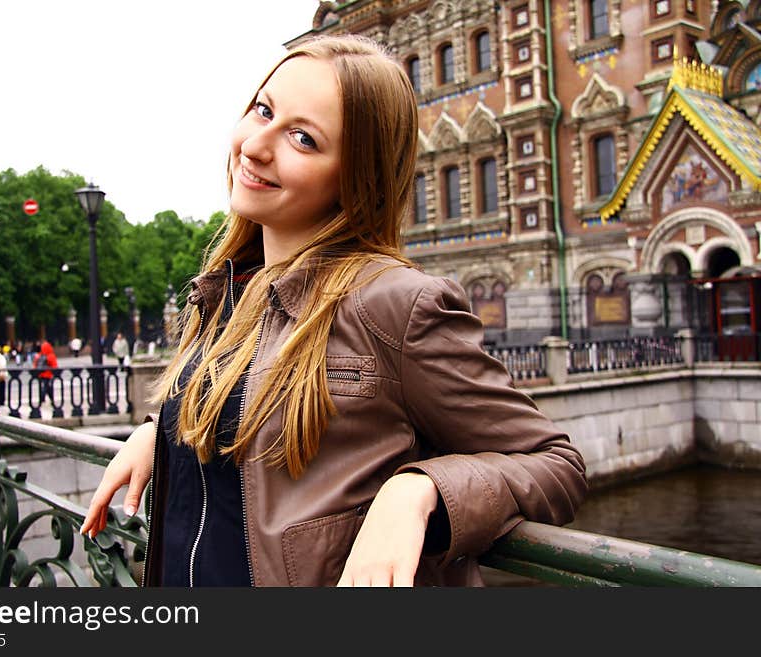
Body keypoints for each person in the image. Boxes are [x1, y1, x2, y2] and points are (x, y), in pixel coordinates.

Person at [81, 35, 587, 587]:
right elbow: (254, 406)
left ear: (355, 177)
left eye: (303, 138)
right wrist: (168, 429)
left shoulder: (393, 304)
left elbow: (555, 464)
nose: (255, 146)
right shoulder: (228, 291)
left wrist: (419, 492)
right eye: (262, 110)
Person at [33, 340, 58, 405]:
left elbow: (35, 364)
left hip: (41, 374)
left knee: (45, 387)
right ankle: (47, 399)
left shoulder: (39, 355)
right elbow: (54, 366)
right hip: (48, 374)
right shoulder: (51, 356)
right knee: (47, 387)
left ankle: (43, 399)